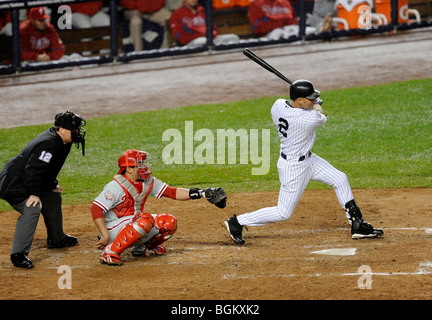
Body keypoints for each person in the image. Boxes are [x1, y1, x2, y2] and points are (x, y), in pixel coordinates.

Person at [224, 80, 383, 244]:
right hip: (294, 167)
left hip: (309, 160)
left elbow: (293, 104)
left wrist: (310, 103)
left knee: (340, 178)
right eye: (310, 98)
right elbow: (321, 117)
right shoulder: (307, 120)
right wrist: (317, 105)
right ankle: (237, 222)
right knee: (283, 212)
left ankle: (357, 224)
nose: (313, 100)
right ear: (299, 100)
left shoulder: (277, 105)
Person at [91, 149, 226, 266]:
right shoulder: (115, 186)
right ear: (129, 168)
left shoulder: (147, 181)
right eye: (140, 164)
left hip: (133, 224)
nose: (144, 167)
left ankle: (143, 248)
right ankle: (110, 251)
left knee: (168, 222)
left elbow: (171, 192)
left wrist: (201, 193)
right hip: (112, 230)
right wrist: (104, 234)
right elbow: (96, 208)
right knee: (145, 220)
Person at [0, 111, 87, 269]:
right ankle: (18, 254)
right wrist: (34, 194)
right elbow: (33, 170)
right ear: (61, 129)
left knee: (53, 197)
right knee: (32, 208)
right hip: (13, 184)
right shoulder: (49, 143)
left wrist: (51, 184)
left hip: (26, 180)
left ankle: (57, 239)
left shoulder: (63, 141)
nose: (76, 133)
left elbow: (48, 168)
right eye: (73, 130)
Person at [169, 0, 239, 47]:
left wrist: (212, 34)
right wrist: (200, 36)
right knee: (203, 41)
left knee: (234, 38)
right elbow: (179, 36)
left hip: (209, 39)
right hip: (191, 44)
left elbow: (213, 27)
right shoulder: (176, 14)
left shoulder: (202, 10)